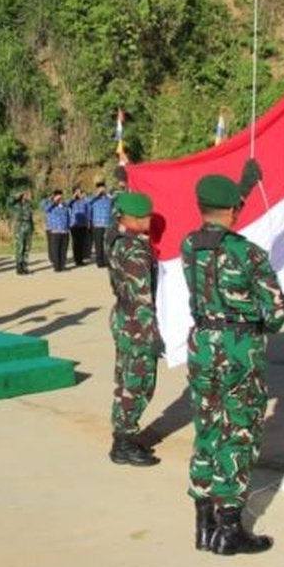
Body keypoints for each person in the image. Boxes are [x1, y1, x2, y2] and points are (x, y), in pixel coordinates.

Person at [182, 165, 284, 555]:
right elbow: (278, 311)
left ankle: (204, 524)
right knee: (239, 432)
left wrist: (241, 188)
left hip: (202, 344)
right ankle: (229, 530)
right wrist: (253, 323)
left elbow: (219, 222)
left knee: (207, 427)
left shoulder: (189, 246)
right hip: (238, 346)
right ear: (232, 210)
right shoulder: (248, 252)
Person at [106, 191, 161, 467]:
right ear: (133, 218)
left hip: (122, 317)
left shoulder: (118, 240)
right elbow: (143, 298)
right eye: (146, 216)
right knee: (139, 383)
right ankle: (124, 442)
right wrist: (153, 334)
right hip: (136, 324)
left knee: (124, 380)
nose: (150, 220)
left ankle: (122, 433)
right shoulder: (136, 251)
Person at [41, 190, 70, 272]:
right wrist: (53, 200)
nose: (60, 198)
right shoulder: (50, 205)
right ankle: (57, 267)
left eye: (61, 196)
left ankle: (63, 265)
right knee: (56, 249)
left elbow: (68, 216)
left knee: (63, 249)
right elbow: (45, 209)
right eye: (58, 196)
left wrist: (68, 228)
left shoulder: (64, 206)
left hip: (65, 231)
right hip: (55, 231)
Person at [89, 181, 113, 267]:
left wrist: (107, 194)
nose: (101, 189)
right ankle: (99, 262)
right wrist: (97, 194)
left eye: (103, 187)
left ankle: (106, 261)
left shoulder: (108, 199)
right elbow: (87, 201)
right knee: (98, 244)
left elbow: (115, 201)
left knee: (107, 244)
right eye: (99, 188)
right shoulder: (93, 199)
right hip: (98, 225)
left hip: (107, 225)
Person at [11, 190, 34, 275]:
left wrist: (32, 228)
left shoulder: (29, 204)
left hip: (28, 227)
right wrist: (17, 195)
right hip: (20, 228)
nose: (26, 195)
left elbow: (31, 217)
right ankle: (19, 267)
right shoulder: (17, 204)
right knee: (20, 248)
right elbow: (9, 201)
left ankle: (25, 266)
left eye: (27, 194)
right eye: (25, 194)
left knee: (27, 248)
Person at [69, 188, 90, 266]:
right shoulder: (72, 202)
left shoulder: (84, 202)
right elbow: (68, 204)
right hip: (74, 225)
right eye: (77, 193)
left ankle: (81, 260)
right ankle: (76, 260)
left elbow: (88, 210)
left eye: (79, 192)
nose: (78, 194)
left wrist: (88, 223)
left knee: (82, 243)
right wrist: (74, 195)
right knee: (76, 243)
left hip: (83, 224)